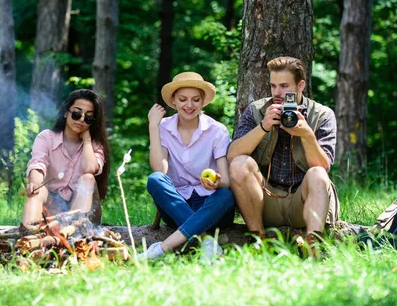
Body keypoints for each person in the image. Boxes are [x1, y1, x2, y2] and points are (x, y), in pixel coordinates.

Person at [227, 57, 339, 256]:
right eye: (273, 86)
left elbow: (323, 167)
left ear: (300, 85)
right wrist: (264, 126)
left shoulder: (322, 115)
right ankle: (258, 240)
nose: (277, 93)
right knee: (239, 164)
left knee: (317, 174)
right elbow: (232, 155)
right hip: (265, 200)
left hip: (303, 201)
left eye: (284, 86)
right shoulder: (257, 111)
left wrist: (306, 134)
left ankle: (313, 246)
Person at [138, 72, 235, 262]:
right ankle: (206, 241)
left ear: (203, 102)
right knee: (155, 179)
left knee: (227, 195)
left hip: (210, 206)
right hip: (177, 205)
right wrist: (153, 126)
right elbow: (160, 170)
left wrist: (215, 183)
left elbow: (226, 180)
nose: (189, 105)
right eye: (183, 99)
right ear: (173, 101)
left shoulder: (217, 130)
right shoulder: (163, 127)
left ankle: (163, 248)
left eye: (195, 100)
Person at [22, 89, 110, 227]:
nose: (81, 119)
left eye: (88, 117)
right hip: (52, 208)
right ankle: (27, 233)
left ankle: (74, 234)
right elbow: (38, 164)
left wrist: (87, 141)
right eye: (76, 114)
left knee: (88, 178)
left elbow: (89, 169)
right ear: (65, 112)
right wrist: (34, 183)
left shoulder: (95, 145)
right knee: (39, 190)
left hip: (85, 212)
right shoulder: (46, 137)